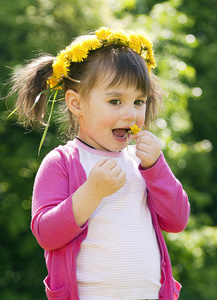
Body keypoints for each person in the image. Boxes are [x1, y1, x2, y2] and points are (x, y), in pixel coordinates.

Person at [8, 27, 190, 300]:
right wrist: (91, 192)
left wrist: (157, 168)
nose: (131, 114)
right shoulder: (62, 162)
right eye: (115, 101)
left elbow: (177, 220)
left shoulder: (142, 162)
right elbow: (46, 234)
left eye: (139, 101)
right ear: (76, 103)